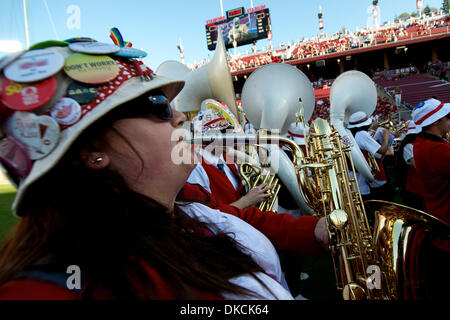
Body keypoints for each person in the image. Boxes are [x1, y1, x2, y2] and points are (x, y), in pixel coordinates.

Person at [0, 40, 328, 300]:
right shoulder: (48, 289)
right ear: (93, 153)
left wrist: (315, 230)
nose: (179, 115)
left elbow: (238, 219)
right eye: (157, 105)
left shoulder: (185, 201)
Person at [347, 111, 392, 202]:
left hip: (354, 173)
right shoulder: (361, 134)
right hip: (365, 176)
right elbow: (382, 151)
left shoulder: (350, 133)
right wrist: (386, 137)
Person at [396, 120, 425, 210]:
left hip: (420, 186)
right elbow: (418, 167)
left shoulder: (417, 144)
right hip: (414, 187)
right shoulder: (409, 146)